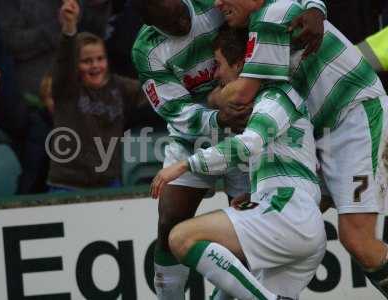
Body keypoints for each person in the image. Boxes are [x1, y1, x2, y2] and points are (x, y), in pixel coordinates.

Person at [132, 0, 327, 299]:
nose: (182, 26)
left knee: (244, 220)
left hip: (249, 121)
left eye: (180, 15)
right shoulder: (146, 50)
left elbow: (270, 5)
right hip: (195, 134)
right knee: (170, 217)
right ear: (149, 23)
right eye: (169, 24)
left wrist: (316, 6)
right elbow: (174, 109)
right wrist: (216, 116)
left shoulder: (213, 4)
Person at [212, 0, 388, 296]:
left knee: (357, 239)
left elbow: (241, 94)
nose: (217, 3)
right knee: (281, 221)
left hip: (357, 117)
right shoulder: (268, 20)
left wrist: (212, 101)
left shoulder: (269, 17)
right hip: (329, 133)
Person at [48, 0, 146, 192]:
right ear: (75, 65)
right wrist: (69, 29)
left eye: (100, 59)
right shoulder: (67, 89)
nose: (95, 66)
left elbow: (153, 91)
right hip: (67, 185)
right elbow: (63, 61)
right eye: (86, 61)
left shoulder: (118, 86)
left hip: (108, 183)